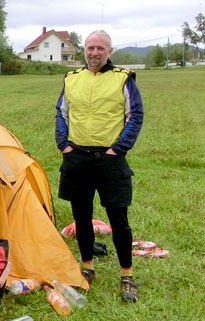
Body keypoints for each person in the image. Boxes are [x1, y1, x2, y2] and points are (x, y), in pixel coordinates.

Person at [55, 30, 144, 302]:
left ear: (109, 52)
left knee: (119, 220)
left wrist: (117, 149)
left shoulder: (123, 79)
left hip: (110, 161)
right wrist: (64, 144)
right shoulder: (72, 79)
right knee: (81, 217)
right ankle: (87, 268)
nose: (94, 53)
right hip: (77, 158)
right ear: (84, 50)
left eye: (100, 49)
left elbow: (135, 115)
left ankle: (126, 275)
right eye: (90, 47)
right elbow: (61, 112)